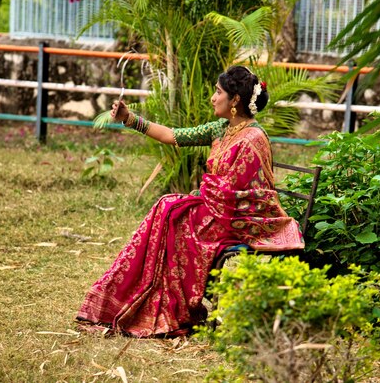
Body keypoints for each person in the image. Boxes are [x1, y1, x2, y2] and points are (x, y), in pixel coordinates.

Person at [76, 65, 304, 337]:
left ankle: (174, 309)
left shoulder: (253, 138)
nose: (212, 97)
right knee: (168, 207)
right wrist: (129, 119)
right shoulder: (223, 128)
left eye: (218, 92)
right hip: (215, 208)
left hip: (241, 219)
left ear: (235, 100)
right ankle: (137, 298)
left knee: (171, 210)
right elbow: (174, 136)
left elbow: (240, 194)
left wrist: (201, 196)